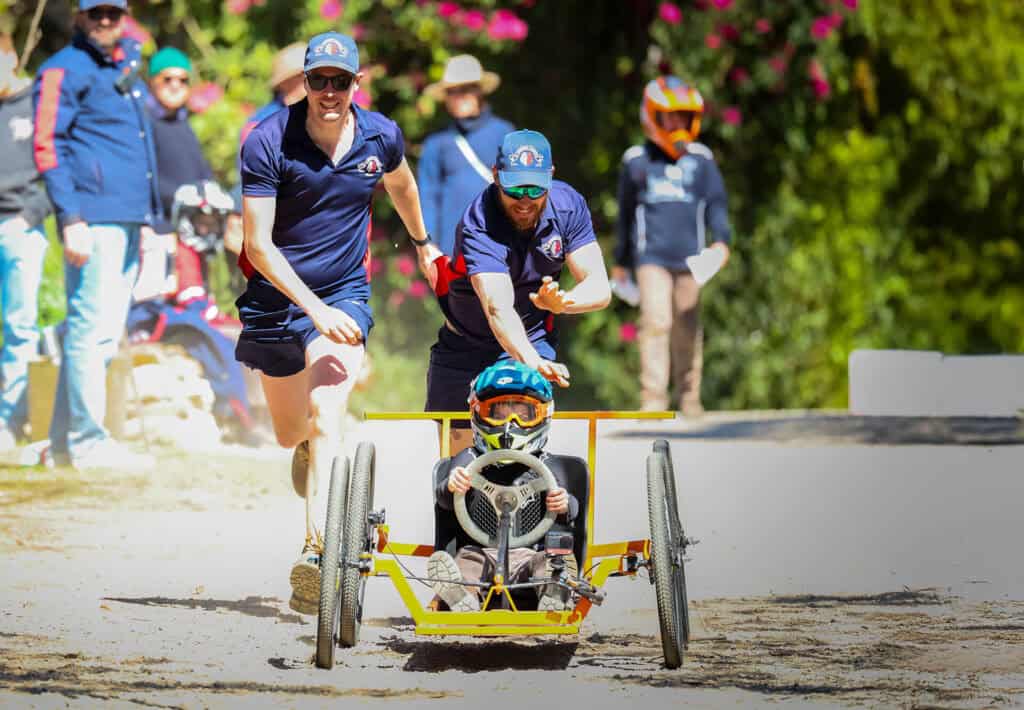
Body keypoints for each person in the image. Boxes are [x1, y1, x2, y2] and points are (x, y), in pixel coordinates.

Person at [237, 31, 441, 614]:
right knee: (288, 430)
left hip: (343, 293)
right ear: (304, 82)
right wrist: (312, 309)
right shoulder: (268, 141)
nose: (329, 91)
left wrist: (422, 243)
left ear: (357, 84)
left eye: (340, 80)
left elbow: (400, 183)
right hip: (278, 299)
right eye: (318, 80)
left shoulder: (380, 135)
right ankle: (303, 449)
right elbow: (259, 245)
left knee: (329, 412)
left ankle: (317, 554)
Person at [426, 129, 611, 455]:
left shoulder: (569, 207)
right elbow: (498, 308)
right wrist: (533, 361)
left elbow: (599, 286)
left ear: (551, 177)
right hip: (466, 343)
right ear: (496, 176)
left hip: (531, 338)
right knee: (459, 461)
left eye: (535, 187)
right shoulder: (479, 221)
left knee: (519, 442)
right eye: (515, 188)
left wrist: (564, 303)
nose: (525, 199)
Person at [33, 0, 161, 470]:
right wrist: (71, 218)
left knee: (101, 335)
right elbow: (47, 145)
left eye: (114, 13)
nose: (106, 22)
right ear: (79, 17)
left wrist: (151, 220)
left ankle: (65, 446)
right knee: (91, 333)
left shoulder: (122, 70)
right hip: (92, 219)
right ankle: (88, 441)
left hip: (128, 218)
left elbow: (139, 148)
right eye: (97, 14)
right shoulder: (62, 70)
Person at [613, 76, 732, 416]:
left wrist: (722, 242)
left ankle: (690, 396)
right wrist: (621, 262)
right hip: (651, 259)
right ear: (652, 117)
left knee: (688, 325)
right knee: (656, 321)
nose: (678, 123)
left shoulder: (702, 159)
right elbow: (624, 214)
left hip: (693, 259)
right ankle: (653, 399)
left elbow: (717, 205)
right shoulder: (636, 160)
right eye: (670, 116)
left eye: (684, 116)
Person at [429, 360, 579, 612]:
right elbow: (444, 500)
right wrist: (452, 484)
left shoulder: (547, 466)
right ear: (477, 412)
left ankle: (554, 591)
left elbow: (571, 511)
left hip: (531, 557)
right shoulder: (468, 459)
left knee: (552, 560)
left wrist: (564, 502)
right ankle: (461, 596)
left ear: (543, 414)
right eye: (497, 413)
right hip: (479, 552)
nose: (510, 424)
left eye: (523, 414)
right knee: (466, 562)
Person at [0, 33, 52, 452]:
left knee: (20, 327)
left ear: (13, 57)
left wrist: (29, 215)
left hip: (22, 228)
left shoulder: (37, 103)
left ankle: (10, 420)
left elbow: (55, 166)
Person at [418, 54, 513, 256]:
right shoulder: (436, 143)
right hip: (453, 250)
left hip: (501, 243)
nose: (459, 96)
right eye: (452, 91)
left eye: (466, 89)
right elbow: (427, 197)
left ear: (480, 91)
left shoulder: (505, 134)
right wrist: (429, 245)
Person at [145, 46, 212, 235]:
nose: (175, 85)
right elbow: (143, 175)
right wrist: (181, 195)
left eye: (183, 80)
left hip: (190, 226)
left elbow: (201, 170)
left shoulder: (184, 124)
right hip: (158, 230)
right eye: (167, 79)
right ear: (152, 82)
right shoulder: (144, 124)